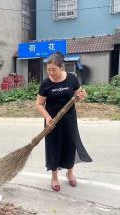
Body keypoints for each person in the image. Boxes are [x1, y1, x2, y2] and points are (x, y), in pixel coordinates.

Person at [36, 52, 92, 192]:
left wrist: (81, 96)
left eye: (53, 69)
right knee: (53, 148)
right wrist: (47, 117)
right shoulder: (46, 84)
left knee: (70, 146)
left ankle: (70, 172)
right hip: (52, 121)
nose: (50, 72)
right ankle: (54, 177)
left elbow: (78, 95)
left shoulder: (71, 79)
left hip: (69, 120)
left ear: (61, 68)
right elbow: (39, 104)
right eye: (48, 69)